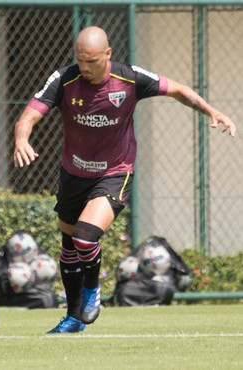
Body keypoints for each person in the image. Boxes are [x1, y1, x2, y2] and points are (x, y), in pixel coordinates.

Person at [13, 26, 236, 333]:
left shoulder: (130, 78)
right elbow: (29, 115)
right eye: (80, 60)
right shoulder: (65, 79)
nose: (84, 67)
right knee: (68, 247)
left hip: (114, 173)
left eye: (91, 61)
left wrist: (212, 111)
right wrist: (21, 140)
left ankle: (92, 293)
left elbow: (178, 90)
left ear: (108, 54)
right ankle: (74, 318)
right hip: (73, 175)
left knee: (84, 237)